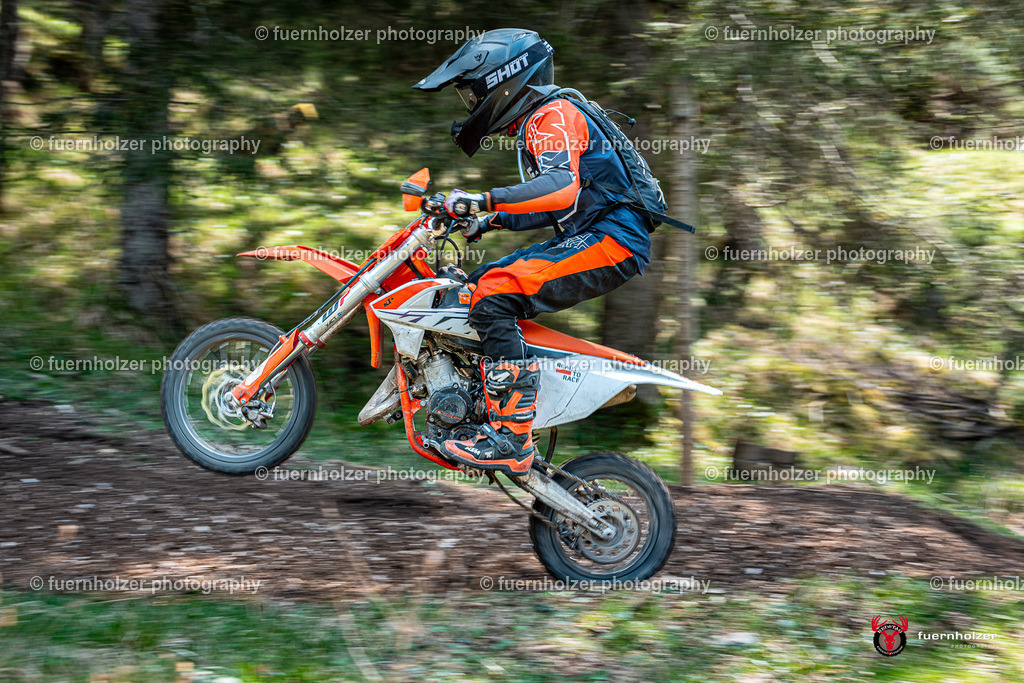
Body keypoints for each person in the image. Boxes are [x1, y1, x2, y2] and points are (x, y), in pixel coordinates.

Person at [413, 28, 652, 476]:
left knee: (494, 293)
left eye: (472, 93)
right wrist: (490, 219)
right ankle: (482, 406)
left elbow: (560, 190)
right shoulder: (542, 119)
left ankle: (511, 435)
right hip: (594, 233)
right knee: (475, 288)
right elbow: (553, 203)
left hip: (613, 238)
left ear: (502, 79)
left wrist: (481, 199)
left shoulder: (553, 113)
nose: (471, 105)